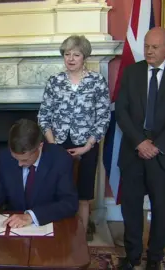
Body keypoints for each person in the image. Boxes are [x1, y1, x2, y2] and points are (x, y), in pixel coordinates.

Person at [115, 27, 165, 270]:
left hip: (164, 153)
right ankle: (133, 255)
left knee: (161, 209)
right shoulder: (131, 72)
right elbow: (121, 111)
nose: (149, 51)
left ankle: (155, 259)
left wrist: (156, 145)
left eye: (155, 47)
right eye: (147, 46)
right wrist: (140, 142)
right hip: (133, 152)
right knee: (131, 208)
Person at [37, 35, 110, 241]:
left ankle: (80, 235)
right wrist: (53, 145)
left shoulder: (96, 81)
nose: (70, 59)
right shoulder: (55, 81)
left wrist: (88, 146)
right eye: (67, 54)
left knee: (84, 194)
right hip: (57, 143)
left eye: (75, 54)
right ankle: (58, 233)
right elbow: (44, 115)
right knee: (57, 190)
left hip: (87, 144)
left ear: (84, 57)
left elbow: (104, 116)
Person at [0, 119, 78, 228]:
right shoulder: (4, 157)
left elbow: (69, 204)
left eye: (25, 160)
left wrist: (31, 216)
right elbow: (0, 188)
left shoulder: (60, 159)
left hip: (49, 226)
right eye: (15, 158)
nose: (19, 164)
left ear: (40, 146)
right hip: (14, 227)